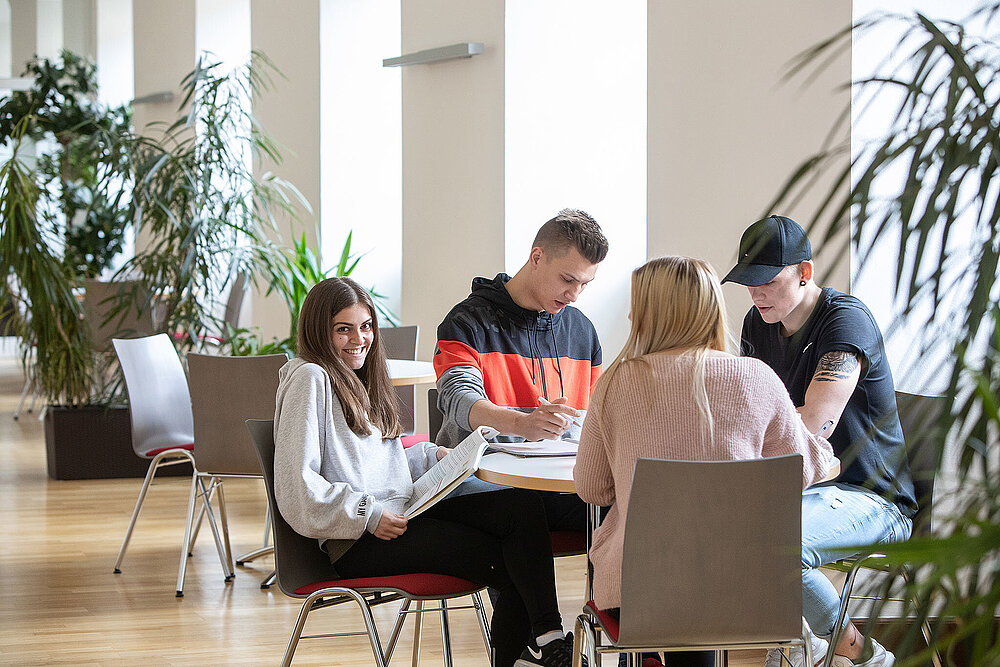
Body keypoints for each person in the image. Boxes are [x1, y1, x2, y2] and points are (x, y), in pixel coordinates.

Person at [273, 277, 576, 667]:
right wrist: (368, 514)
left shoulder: (357, 379)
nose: (358, 339)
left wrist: (434, 457)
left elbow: (374, 460)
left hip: (402, 512)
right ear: (318, 330)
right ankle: (532, 652)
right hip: (359, 539)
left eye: (366, 327)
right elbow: (297, 484)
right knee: (509, 559)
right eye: (343, 329)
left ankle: (546, 640)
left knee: (521, 508)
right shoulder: (310, 378)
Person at [574, 256, 834, 667]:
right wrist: (822, 449)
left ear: (654, 314)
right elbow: (800, 471)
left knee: (677, 594)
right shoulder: (757, 377)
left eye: (636, 305)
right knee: (707, 592)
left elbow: (592, 488)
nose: (627, 314)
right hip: (744, 593)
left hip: (639, 595)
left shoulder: (616, 383)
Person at [722, 215, 917, 667]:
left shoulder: (845, 322)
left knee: (775, 543)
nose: (755, 294)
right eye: (747, 283)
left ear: (804, 272)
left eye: (766, 281)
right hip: (809, 489)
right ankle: (801, 642)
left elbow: (813, 425)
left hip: (873, 496)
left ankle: (863, 655)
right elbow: (752, 414)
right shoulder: (758, 324)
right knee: (732, 527)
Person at [434, 208, 609, 530]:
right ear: (537, 257)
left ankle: (604, 584)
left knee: (621, 505)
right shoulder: (466, 322)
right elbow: (457, 399)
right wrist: (521, 423)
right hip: (480, 481)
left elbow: (596, 417)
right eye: (568, 280)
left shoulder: (582, 330)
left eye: (585, 284)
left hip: (556, 484)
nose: (574, 295)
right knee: (521, 512)